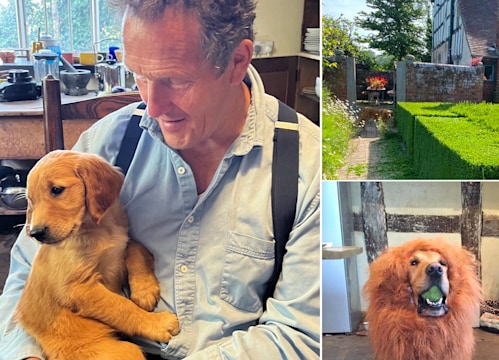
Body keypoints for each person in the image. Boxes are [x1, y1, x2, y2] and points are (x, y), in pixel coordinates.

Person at [0, 1, 320, 359]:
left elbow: (299, 335)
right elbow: (28, 272)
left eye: (176, 80)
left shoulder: (307, 169)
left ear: (236, 62)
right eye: (139, 74)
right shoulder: (107, 143)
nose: (151, 106)